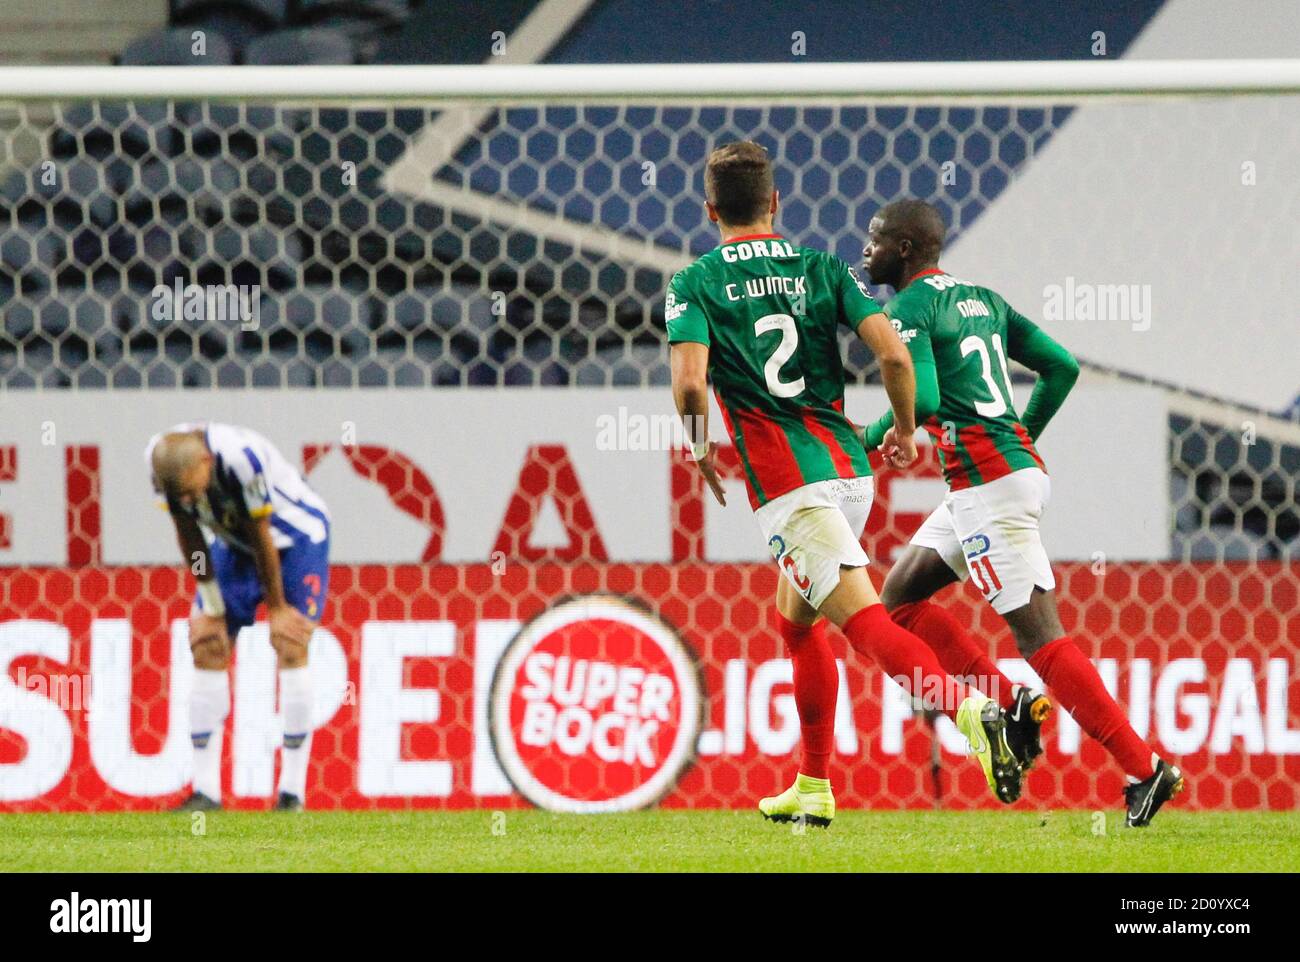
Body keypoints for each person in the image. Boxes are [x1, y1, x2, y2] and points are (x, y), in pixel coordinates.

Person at [666, 143, 1022, 828]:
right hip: (848, 475)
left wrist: (697, 440)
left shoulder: (694, 283)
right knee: (795, 624)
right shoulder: (823, 267)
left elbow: (688, 382)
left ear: (709, 209)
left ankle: (972, 713)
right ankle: (813, 783)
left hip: (790, 488)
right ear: (775, 203)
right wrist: (908, 428)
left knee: (866, 624)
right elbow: (892, 352)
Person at [147, 422, 330, 812]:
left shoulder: (241, 460)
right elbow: (189, 535)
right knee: (207, 644)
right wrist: (211, 607)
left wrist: (277, 608)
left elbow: (259, 530)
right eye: (182, 494)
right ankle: (206, 793)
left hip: (294, 539)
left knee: (290, 642)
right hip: (233, 542)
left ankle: (292, 795)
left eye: (193, 488)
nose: (190, 498)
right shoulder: (161, 461)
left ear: (206, 461)